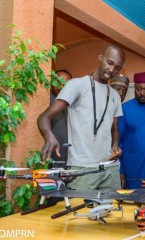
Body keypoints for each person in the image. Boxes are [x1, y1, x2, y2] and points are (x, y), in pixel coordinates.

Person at [37, 44, 125, 190]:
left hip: (110, 169)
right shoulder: (76, 85)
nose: (111, 70)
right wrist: (49, 136)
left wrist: (115, 145)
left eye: (117, 67)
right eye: (109, 62)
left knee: (112, 212)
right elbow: (44, 117)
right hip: (82, 169)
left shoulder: (115, 95)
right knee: (79, 212)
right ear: (100, 58)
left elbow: (115, 129)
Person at [50, 70, 72, 169]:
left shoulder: (72, 103)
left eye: (65, 84)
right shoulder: (48, 102)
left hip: (70, 159)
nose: (61, 86)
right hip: (52, 158)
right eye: (58, 82)